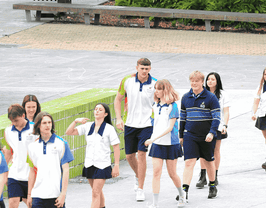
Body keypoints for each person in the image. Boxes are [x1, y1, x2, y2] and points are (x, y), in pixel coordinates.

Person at [114, 58, 156, 202]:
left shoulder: (155, 84)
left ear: (150, 69)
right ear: (137, 68)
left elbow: (160, 102)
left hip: (146, 125)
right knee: (130, 156)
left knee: (142, 154)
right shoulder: (127, 81)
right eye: (142, 68)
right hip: (130, 124)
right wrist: (119, 119)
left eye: (147, 69)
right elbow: (117, 99)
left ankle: (141, 188)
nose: (144, 71)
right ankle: (139, 175)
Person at [64, 104, 120, 208]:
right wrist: (76, 121)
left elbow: (116, 147)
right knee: (97, 192)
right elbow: (69, 132)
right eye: (95, 109)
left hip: (102, 165)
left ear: (106, 114)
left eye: (100, 110)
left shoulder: (109, 129)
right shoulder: (88, 126)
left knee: (95, 192)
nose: (97, 111)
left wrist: (116, 165)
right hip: (89, 164)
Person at [179, 71, 220, 201]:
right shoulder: (185, 98)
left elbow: (216, 117)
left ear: (202, 82)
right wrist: (181, 135)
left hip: (206, 136)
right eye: (192, 81)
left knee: (208, 161)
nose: (194, 83)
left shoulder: (211, 98)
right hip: (190, 135)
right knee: (189, 162)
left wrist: (212, 132)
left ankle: (212, 185)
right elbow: (183, 118)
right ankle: (184, 191)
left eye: (197, 81)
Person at [145, 80, 185, 208]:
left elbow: (170, 128)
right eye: (155, 88)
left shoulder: (173, 106)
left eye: (159, 89)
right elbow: (154, 125)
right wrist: (152, 138)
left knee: (172, 173)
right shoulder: (154, 106)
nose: (156, 91)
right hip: (157, 144)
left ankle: (182, 196)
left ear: (165, 90)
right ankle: (155, 204)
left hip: (171, 144)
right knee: (156, 173)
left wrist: (152, 139)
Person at [27, 113, 73, 208]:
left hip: (56, 195)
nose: (47, 125)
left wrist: (63, 194)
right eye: (44, 123)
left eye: (49, 122)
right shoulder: (31, 147)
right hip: (37, 195)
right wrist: (29, 195)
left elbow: (66, 170)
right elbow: (32, 171)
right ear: (38, 125)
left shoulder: (62, 144)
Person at [195, 73, 229, 188]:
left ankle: (214, 175)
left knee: (215, 150)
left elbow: (226, 111)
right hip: (203, 125)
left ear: (217, 81)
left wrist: (225, 125)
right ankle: (203, 176)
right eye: (208, 79)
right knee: (203, 151)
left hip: (217, 126)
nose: (210, 81)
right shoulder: (202, 93)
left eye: (212, 79)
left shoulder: (223, 94)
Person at [3, 104, 34, 208]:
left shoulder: (35, 129)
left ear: (23, 115)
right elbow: (8, 151)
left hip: (31, 174)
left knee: (31, 205)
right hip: (14, 175)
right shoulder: (7, 131)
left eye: (16, 120)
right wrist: (4, 171)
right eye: (11, 121)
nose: (13, 123)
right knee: (12, 203)